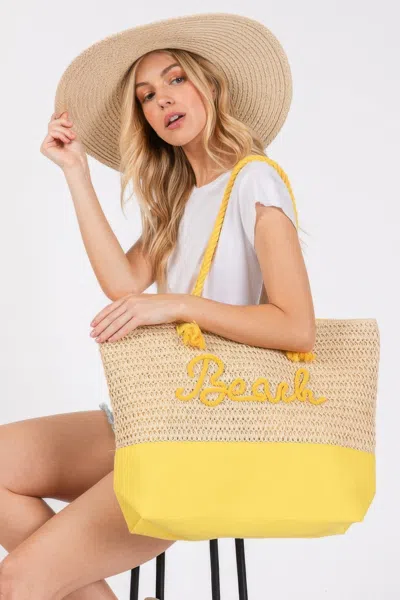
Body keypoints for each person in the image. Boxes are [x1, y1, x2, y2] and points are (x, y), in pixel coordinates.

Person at [0, 13, 315, 599]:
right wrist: (75, 171)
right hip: (153, 417)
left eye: (175, 79)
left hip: (210, 436)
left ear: (212, 86)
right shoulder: (180, 201)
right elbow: (122, 284)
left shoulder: (255, 181)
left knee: (18, 583)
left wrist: (175, 305)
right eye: (146, 96)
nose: (162, 99)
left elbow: (297, 327)